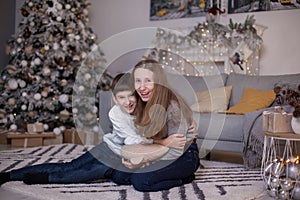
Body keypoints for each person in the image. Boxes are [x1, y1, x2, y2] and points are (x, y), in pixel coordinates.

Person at [0, 73, 192, 185]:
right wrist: (164, 142)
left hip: (122, 154)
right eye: (121, 98)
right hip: (111, 147)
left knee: (87, 173)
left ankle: (46, 178)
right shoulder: (116, 114)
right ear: (115, 99)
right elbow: (137, 141)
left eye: (131, 96)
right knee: (72, 165)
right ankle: (10, 175)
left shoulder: (145, 109)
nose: (128, 102)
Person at [111, 59, 200, 192]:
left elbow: (176, 150)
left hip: (184, 156)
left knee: (140, 181)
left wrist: (147, 161)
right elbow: (138, 138)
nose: (142, 87)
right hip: (159, 151)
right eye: (138, 81)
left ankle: (185, 178)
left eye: (148, 80)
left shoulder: (173, 107)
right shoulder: (141, 101)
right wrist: (138, 158)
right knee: (118, 176)